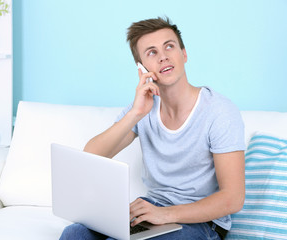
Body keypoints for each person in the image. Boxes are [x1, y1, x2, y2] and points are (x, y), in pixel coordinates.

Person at [60, 16, 245, 240]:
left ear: (183, 54)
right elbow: (91, 155)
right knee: (74, 234)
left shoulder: (219, 111)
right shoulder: (144, 107)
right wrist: (136, 113)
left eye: (169, 46)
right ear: (141, 68)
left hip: (203, 223)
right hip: (154, 209)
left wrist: (165, 214)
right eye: (151, 52)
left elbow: (233, 198)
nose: (163, 56)